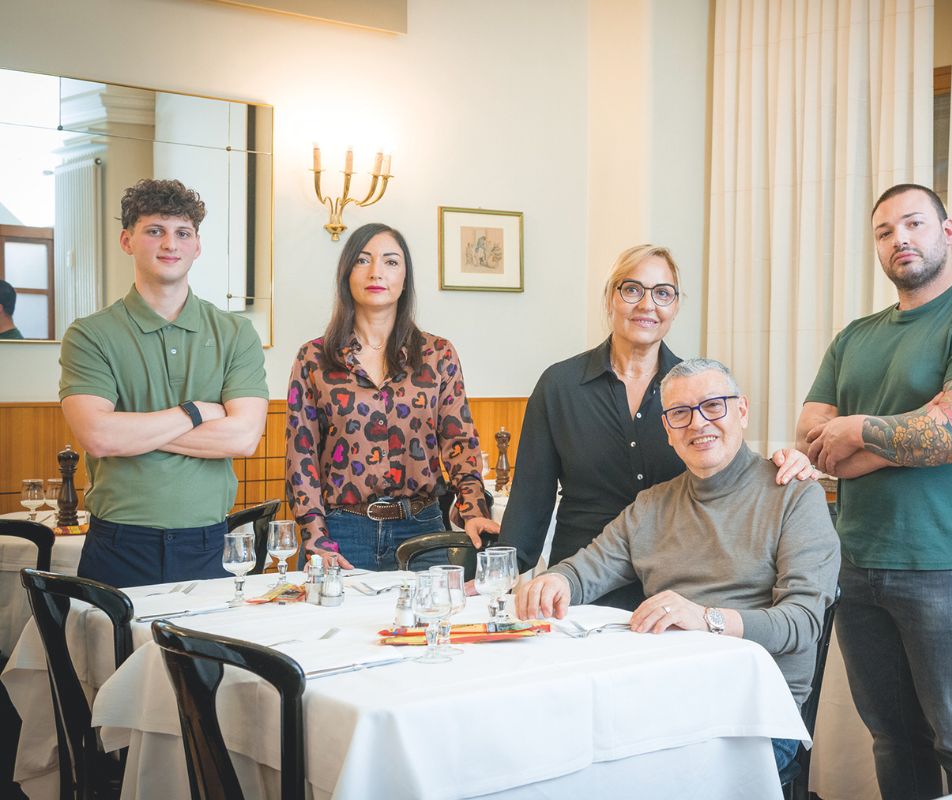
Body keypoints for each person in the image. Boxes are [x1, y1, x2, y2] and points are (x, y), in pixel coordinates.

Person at [797, 183, 952, 798]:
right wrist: (892, 437)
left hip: (948, 564)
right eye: (884, 231)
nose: (900, 238)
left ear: (946, 233)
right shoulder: (854, 336)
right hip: (858, 561)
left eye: (914, 224)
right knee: (893, 737)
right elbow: (812, 437)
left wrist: (857, 431)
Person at [515, 358, 840, 771]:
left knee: (634, 776)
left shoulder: (793, 495)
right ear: (667, 431)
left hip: (753, 713)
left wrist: (705, 618)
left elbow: (801, 623)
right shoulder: (652, 505)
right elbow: (585, 570)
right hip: (662, 697)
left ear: (741, 410)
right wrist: (555, 581)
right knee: (551, 751)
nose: (698, 423)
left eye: (713, 406)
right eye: (680, 413)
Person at [482, 244, 815, 609]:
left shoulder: (692, 391)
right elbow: (530, 499)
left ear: (675, 306)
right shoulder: (559, 386)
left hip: (677, 583)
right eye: (632, 289)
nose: (647, 305)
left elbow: (729, 469)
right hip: (582, 580)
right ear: (611, 298)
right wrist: (495, 580)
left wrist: (783, 465)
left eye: (662, 293)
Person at [59, 179, 268, 587]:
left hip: (210, 543)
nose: (170, 243)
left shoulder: (235, 333)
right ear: (127, 240)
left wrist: (133, 431)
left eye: (182, 233)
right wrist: (195, 413)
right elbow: (99, 437)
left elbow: (243, 439)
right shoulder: (90, 334)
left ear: (197, 246)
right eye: (155, 230)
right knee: (109, 654)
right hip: (119, 544)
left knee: (202, 655)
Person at [285, 222, 492, 572]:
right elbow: (300, 457)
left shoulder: (437, 354)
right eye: (363, 260)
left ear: (405, 277)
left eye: (391, 262)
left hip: (423, 528)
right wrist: (316, 539)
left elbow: (460, 442)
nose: (376, 272)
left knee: (428, 626)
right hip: (343, 533)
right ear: (346, 273)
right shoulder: (314, 358)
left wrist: (472, 510)